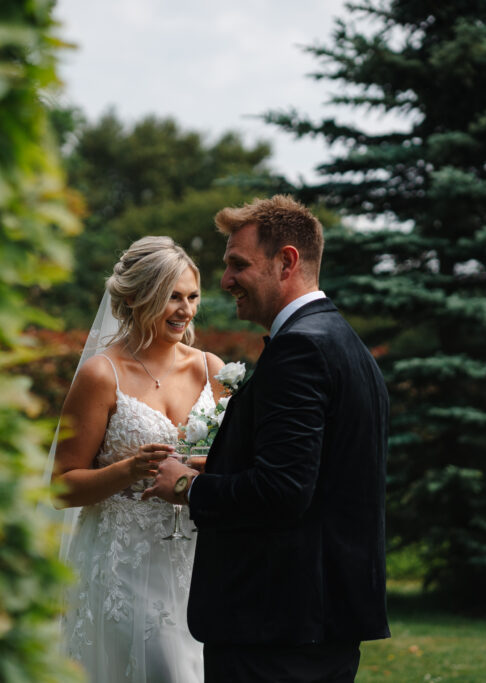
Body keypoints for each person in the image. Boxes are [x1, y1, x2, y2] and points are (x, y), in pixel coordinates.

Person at [143, 196, 390, 682]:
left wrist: (185, 486)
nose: (225, 280)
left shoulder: (299, 349)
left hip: (275, 626)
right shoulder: (342, 341)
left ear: (287, 262)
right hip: (319, 621)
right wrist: (223, 467)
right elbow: (318, 476)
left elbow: (283, 492)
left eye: (239, 264)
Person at [50, 236, 224, 682]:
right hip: (125, 566)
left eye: (192, 296)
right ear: (135, 298)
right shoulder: (101, 374)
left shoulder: (211, 369)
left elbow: (234, 461)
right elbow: (61, 486)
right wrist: (126, 470)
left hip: (200, 561)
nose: (185, 309)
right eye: (171, 296)